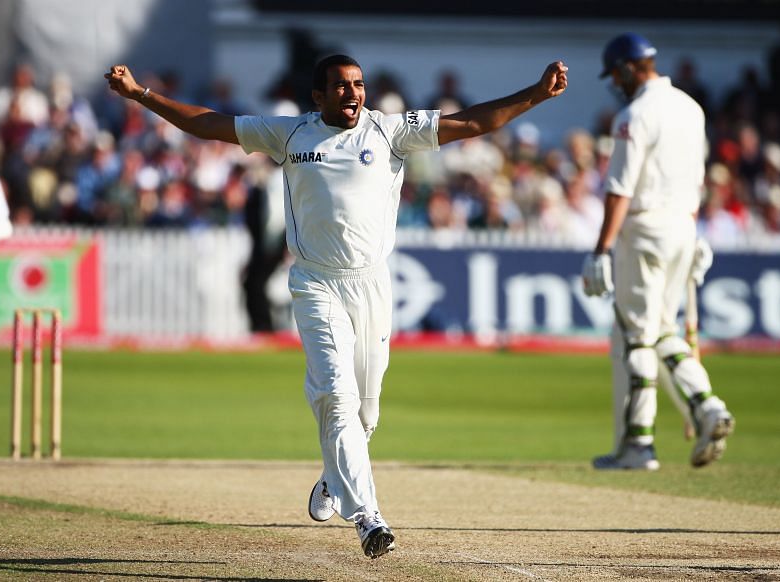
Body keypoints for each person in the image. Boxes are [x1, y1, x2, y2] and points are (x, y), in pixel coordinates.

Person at [105, 55, 568, 557]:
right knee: (337, 397)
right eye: (341, 87)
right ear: (318, 97)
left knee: (366, 414)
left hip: (371, 285)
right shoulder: (289, 135)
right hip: (315, 283)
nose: (353, 94)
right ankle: (368, 517)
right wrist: (143, 96)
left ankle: (334, 476)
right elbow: (211, 124)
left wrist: (535, 95)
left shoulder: (390, 131)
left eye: (358, 84)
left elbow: (473, 122)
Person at [582, 33, 734, 471]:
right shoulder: (691, 108)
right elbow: (696, 179)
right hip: (684, 229)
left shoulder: (634, 115)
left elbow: (619, 189)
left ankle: (639, 444)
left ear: (629, 67)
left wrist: (600, 250)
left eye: (615, 74)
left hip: (646, 230)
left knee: (636, 334)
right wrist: (694, 230)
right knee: (663, 329)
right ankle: (708, 408)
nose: (615, 83)